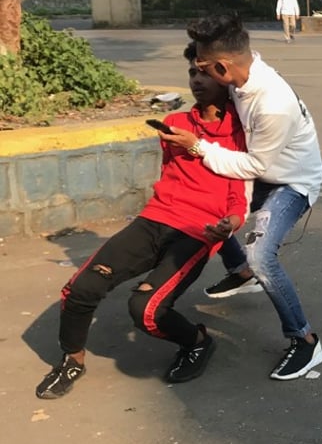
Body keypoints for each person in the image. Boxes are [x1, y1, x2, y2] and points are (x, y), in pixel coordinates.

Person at [35, 43, 248, 399]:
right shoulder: (175, 123)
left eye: (205, 74)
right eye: (192, 73)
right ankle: (72, 360)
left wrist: (230, 223)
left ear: (224, 77)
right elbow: (172, 176)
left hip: (198, 231)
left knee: (146, 309)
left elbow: (238, 195)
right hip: (154, 218)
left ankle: (197, 341)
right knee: (81, 288)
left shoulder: (242, 132)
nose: (196, 81)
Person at [159, 14, 322, 381]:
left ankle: (305, 340)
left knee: (262, 255)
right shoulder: (241, 77)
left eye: (202, 68)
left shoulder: (273, 103)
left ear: (221, 67)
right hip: (262, 169)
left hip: (291, 183)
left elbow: (253, 164)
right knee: (210, 208)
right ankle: (240, 272)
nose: (198, 76)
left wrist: (197, 147)